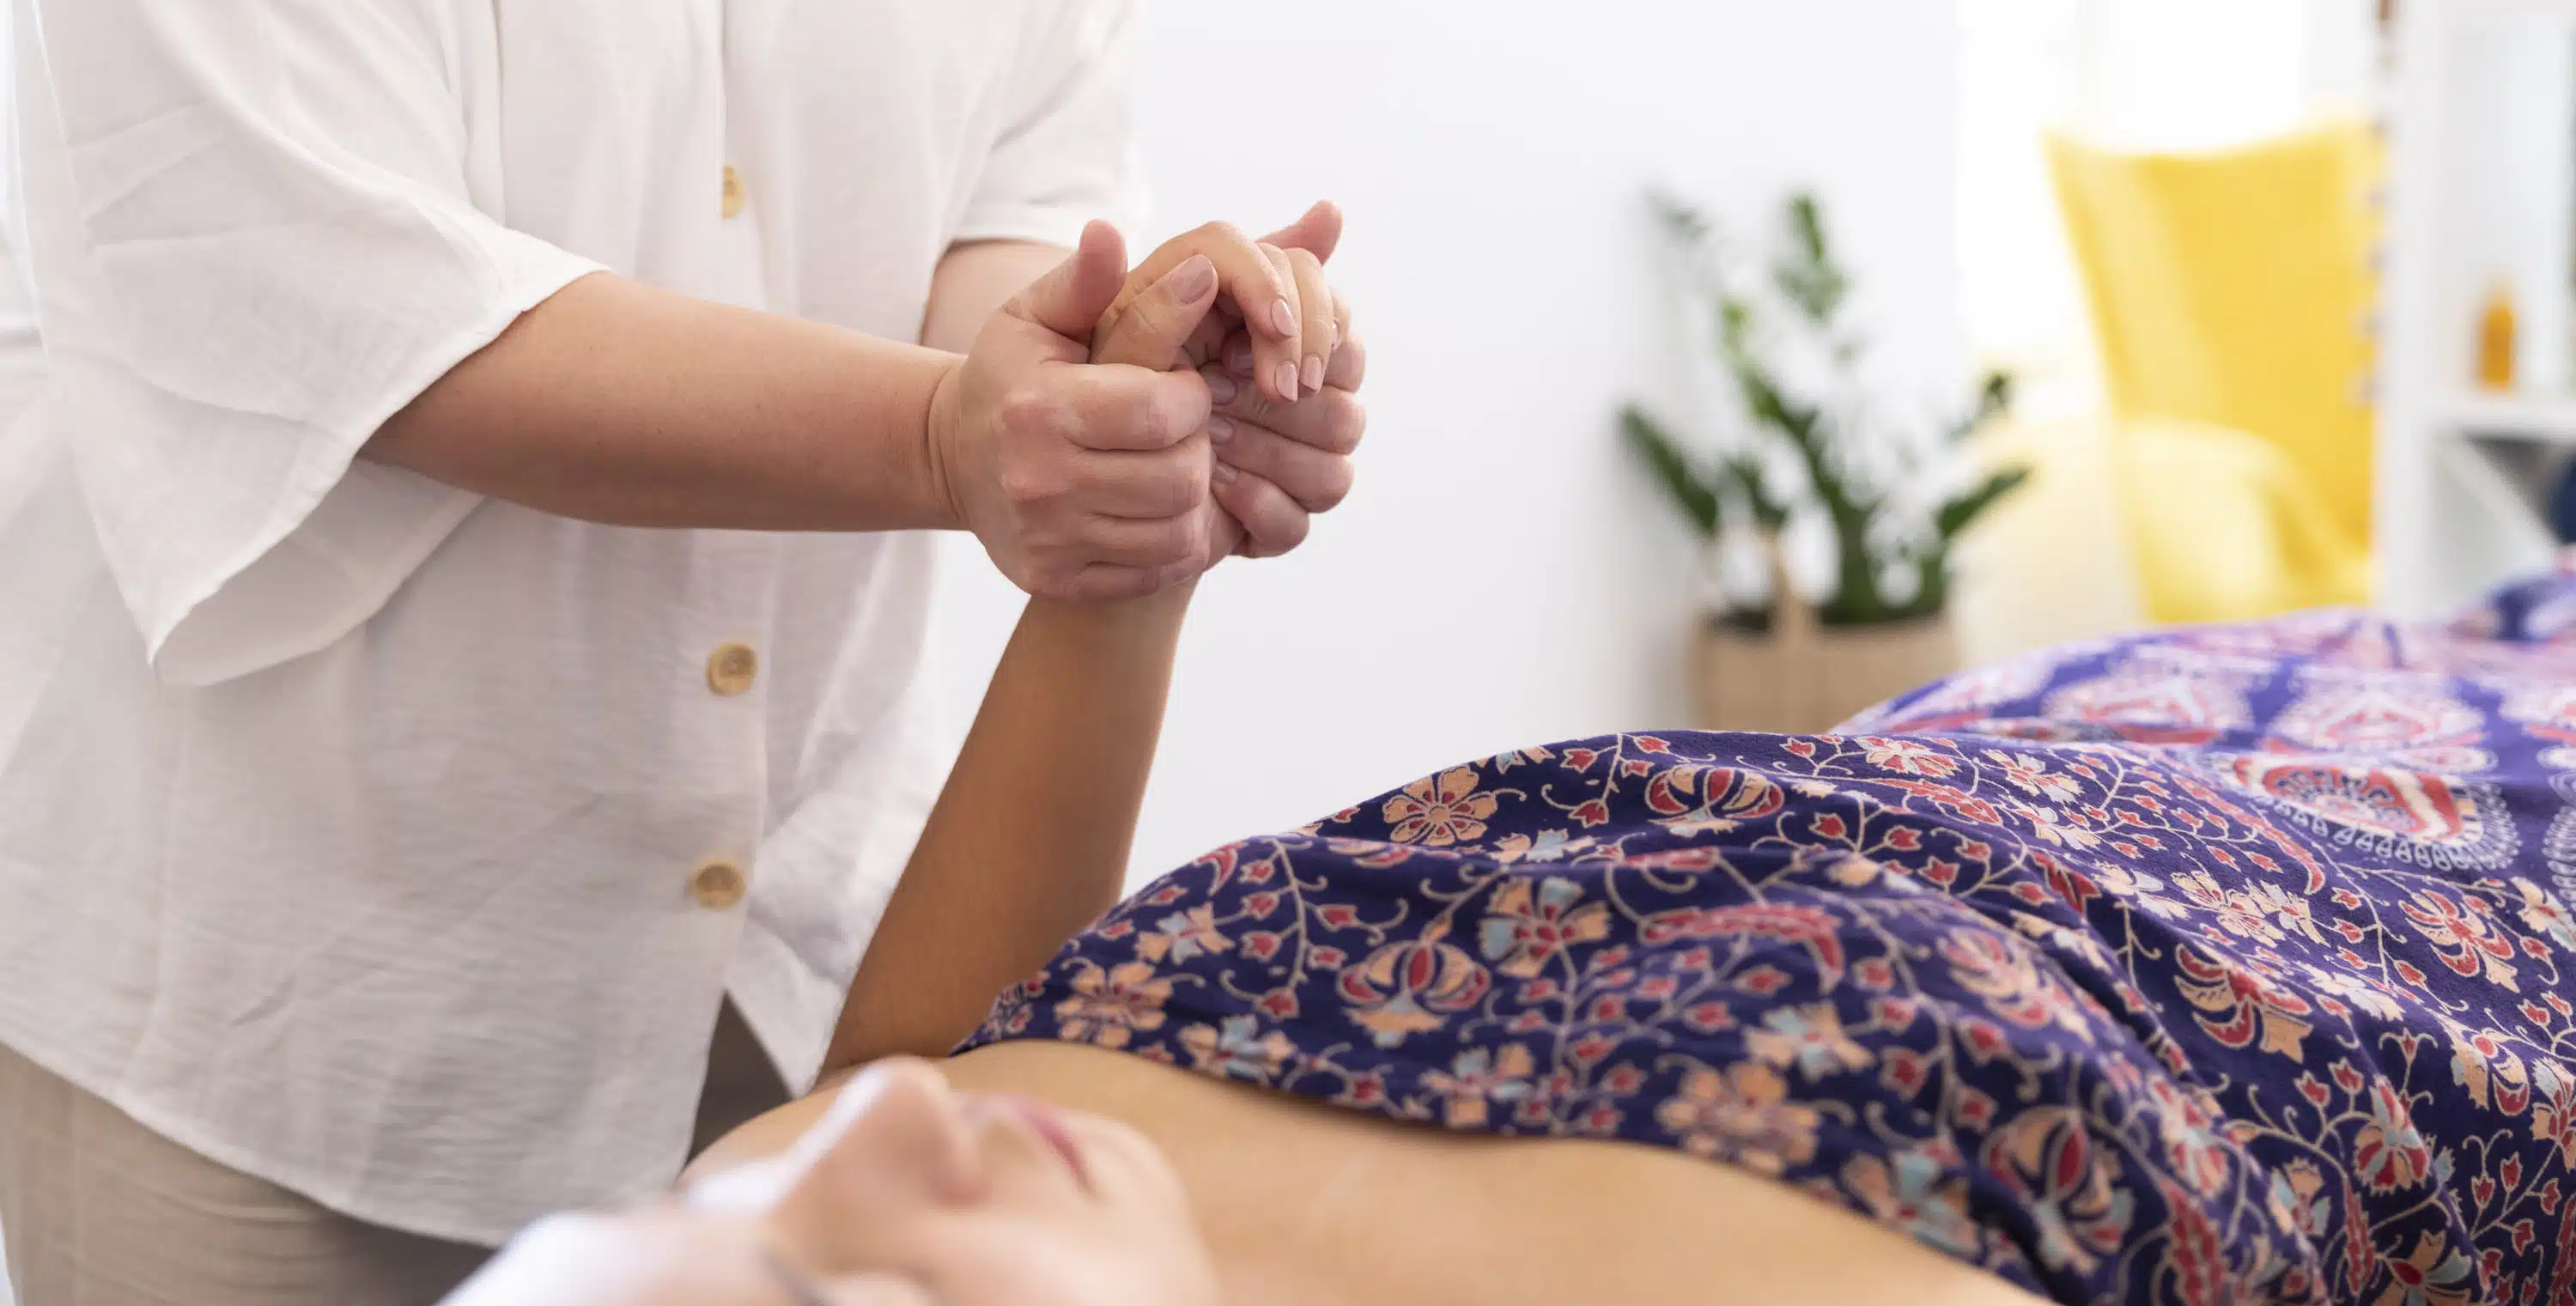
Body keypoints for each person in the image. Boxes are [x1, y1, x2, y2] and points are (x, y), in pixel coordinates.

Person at [0, 0, 1365, 1301]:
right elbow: (330, 303)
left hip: (768, 943)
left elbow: (1002, 218)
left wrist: (1124, 366)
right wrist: (952, 440)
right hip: (273, 991)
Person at [447, 571, 2576, 1304]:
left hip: (2079, 727)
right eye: (855, 1302)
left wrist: (1125, 566)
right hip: (2432, 894)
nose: (872, 1132)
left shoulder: (855, 1148)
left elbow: (898, 1058)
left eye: (689, 1216)